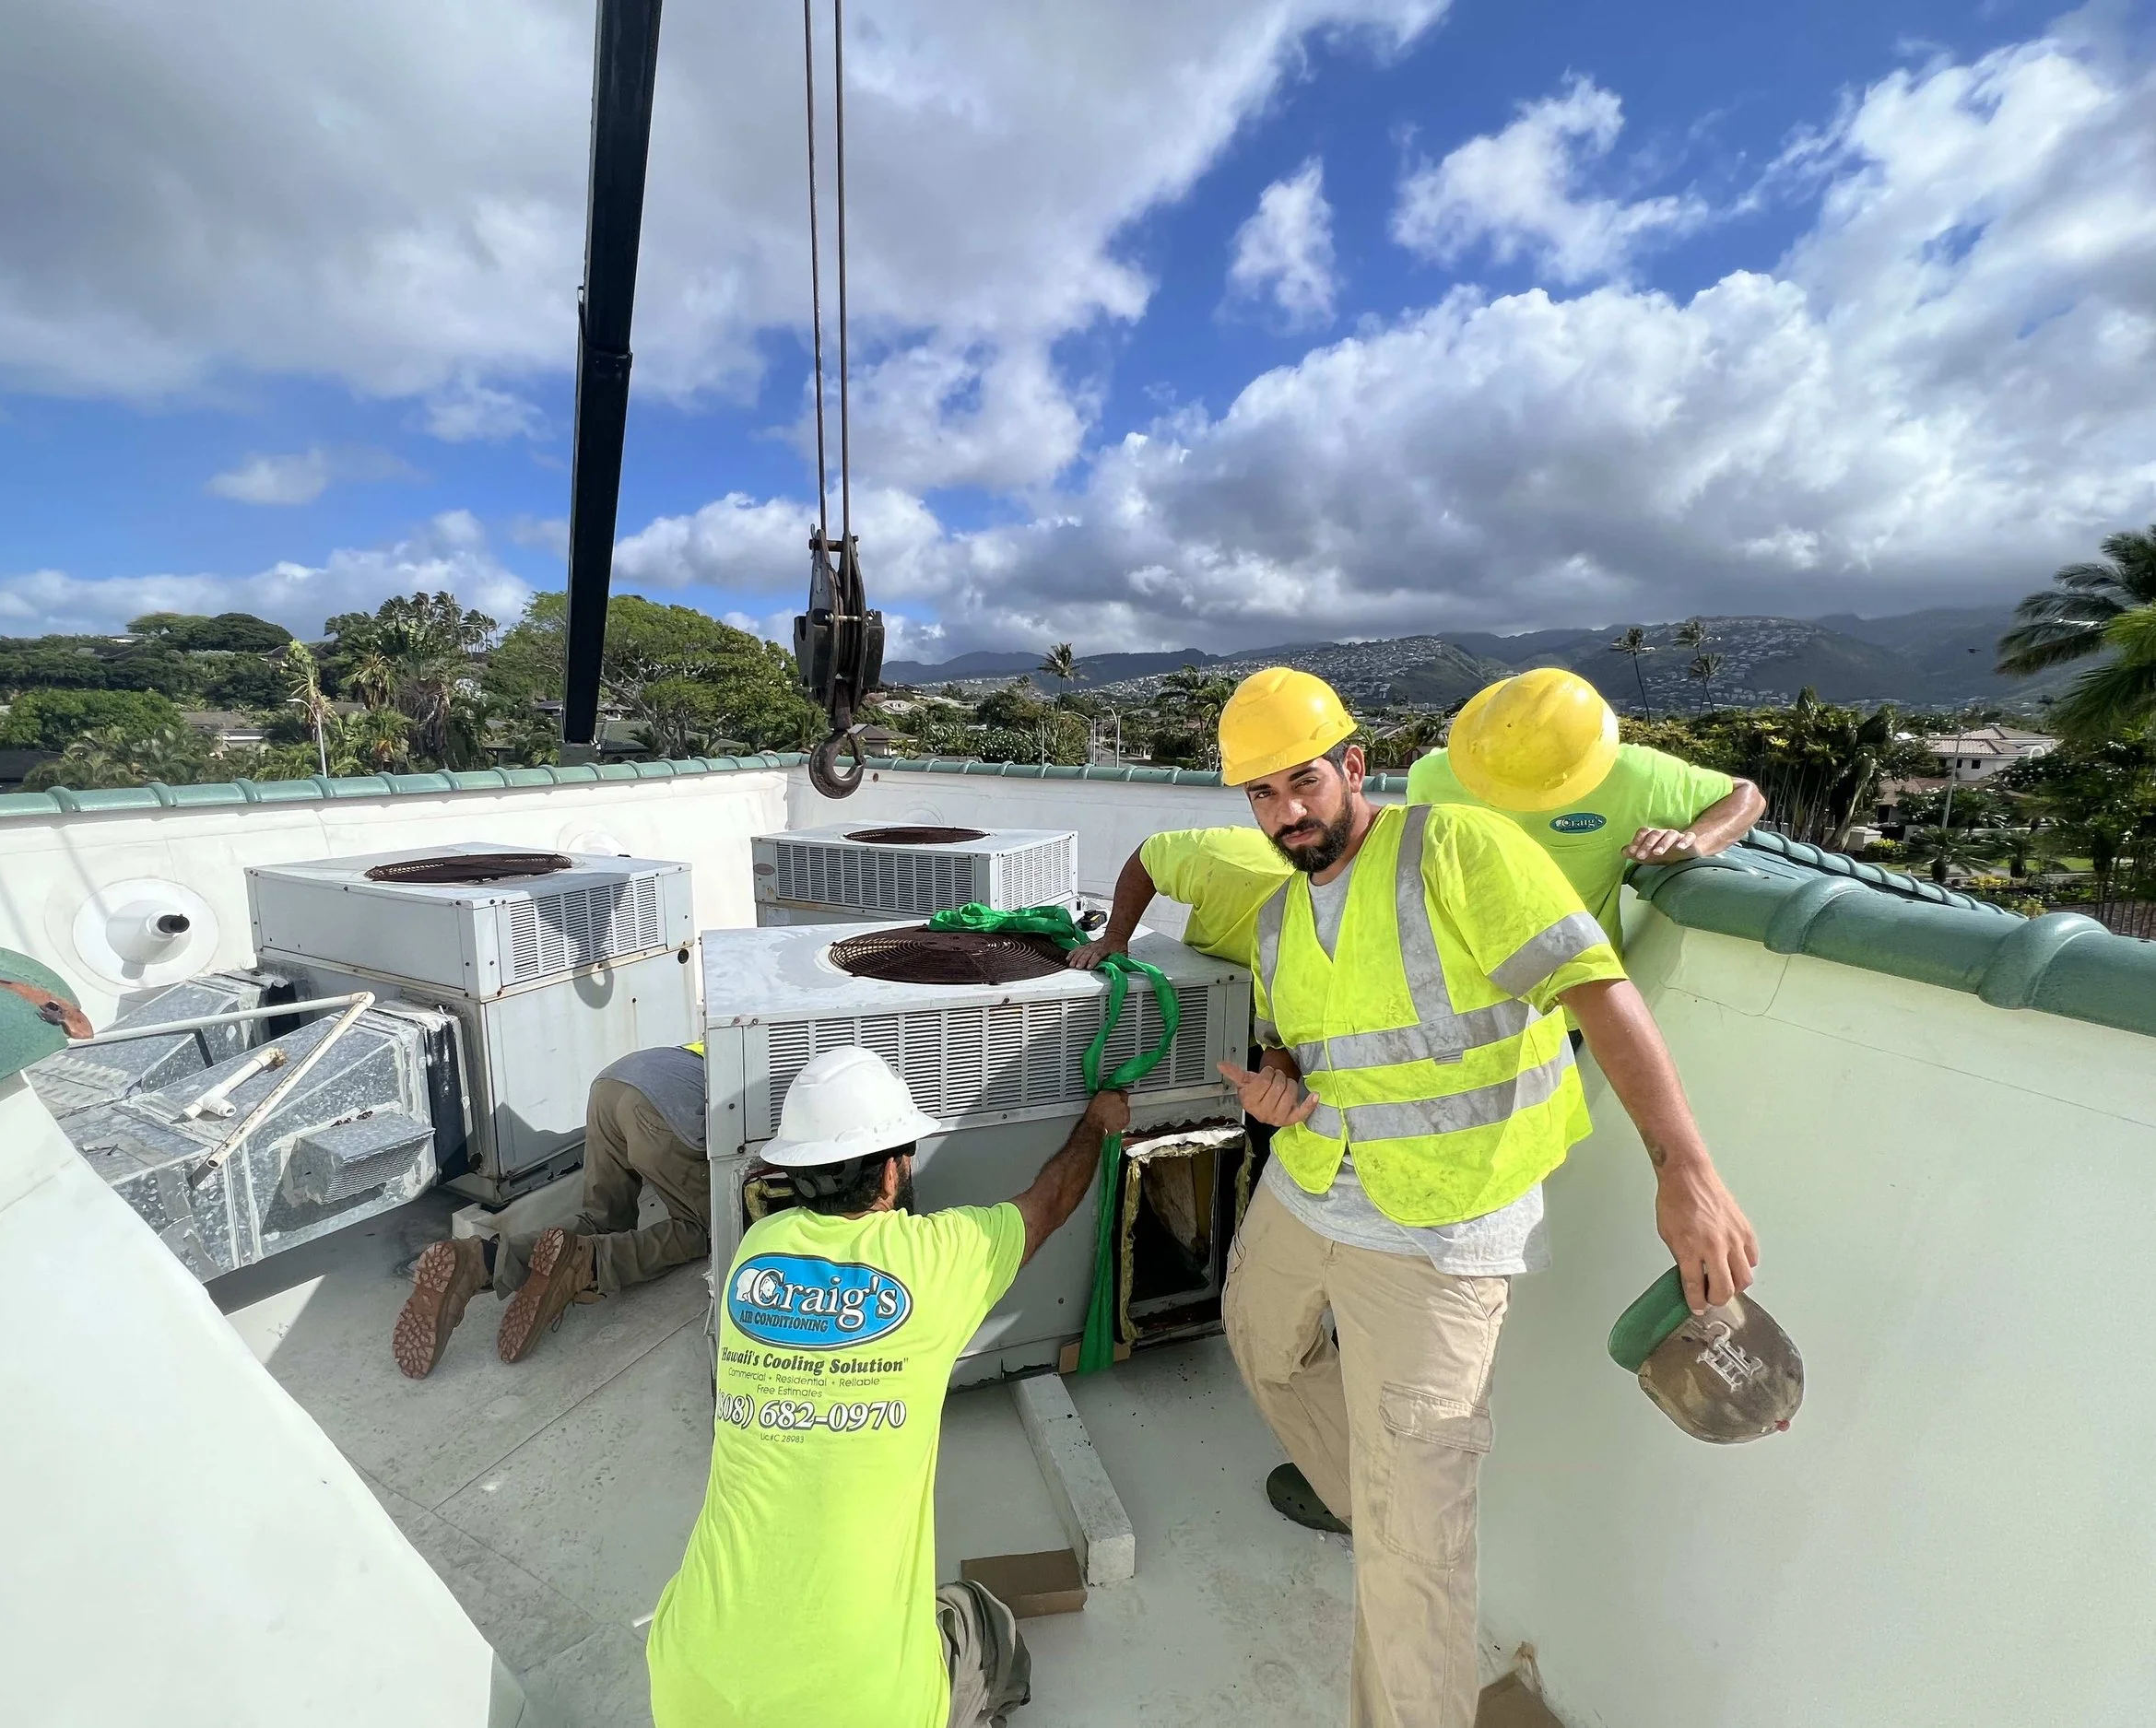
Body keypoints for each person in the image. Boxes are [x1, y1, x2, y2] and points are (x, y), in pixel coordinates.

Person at [1086, 666, 1759, 1728]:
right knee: (1258, 1345)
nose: (1283, 813)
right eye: (1258, 795)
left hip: (1441, 1233)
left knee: (1413, 1561)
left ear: (1354, 767)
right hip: (1311, 1191)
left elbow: (1598, 990)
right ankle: (1374, 1499)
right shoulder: (1275, 920)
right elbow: (1310, 1057)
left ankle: (1400, 1548)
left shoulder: (1454, 847)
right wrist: (1280, 1091)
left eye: (1301, 782)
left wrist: (1684, 1170)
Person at [648, 1048, 1129, 1728]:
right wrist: (1099, 1122)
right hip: (865, 1710)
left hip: (691, 1687)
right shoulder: (936, 1261)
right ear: (895, 1167)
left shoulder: (756, 1256)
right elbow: (1047, 1203)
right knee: (984, 1620)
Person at [392, 1042, 712, 1379]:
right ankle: (586, 1264)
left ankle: (481, 1260)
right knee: (703, 1228)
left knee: (602, 1219)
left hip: (613, 1084)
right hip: (666, 1106)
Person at [1404, 668, 1765, 950]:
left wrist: (1694, 842)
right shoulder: (1431, 779)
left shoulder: (1635, 776)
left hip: (1569, 998)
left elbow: (1744, 795)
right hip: (1461, 990)